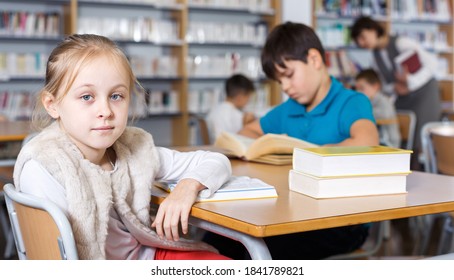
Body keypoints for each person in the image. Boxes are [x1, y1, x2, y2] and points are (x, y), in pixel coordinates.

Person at [12, 34, 232, 260]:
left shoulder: (132, 147)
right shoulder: (45, 166)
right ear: (52, 105)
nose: (106, 111)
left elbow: (217, 161)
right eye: (87, 96)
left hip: (148, 255)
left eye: (116, 96)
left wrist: (187, 187)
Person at [203, 22, 379, 260]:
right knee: (216, 239)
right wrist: (260, 150)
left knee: (260, 251)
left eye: (289, 75)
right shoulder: (288, 110)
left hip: (342, 222)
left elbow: (368, 141)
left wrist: (311, 153)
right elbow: (247, 132)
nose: (285, 87)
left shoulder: (351, 101)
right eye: (279, 81)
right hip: (290, 213)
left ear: (315, 59)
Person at [350, 16, 441, 167]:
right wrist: (396, 88)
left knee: (420, 137)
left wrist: (410, 82)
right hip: (404, 97)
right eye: (358, 40)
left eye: (362, 37)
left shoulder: (401, 43)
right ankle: (403, 166)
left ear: (373, 30)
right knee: (401, 130)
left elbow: (432, 63)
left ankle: (419, 169)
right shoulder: (374, 57)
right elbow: (384, 85)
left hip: (424, 94)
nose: (361, 43)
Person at [355, 68, 401, 148]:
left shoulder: (383, 100)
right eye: (357, 89)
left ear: (376, 86)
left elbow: (385, 115)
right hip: (377, 142)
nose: (358, 92)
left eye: (362, 88)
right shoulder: (369, 102)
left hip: (388, 143)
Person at [205, 73, 256, 143]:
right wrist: (247, 124)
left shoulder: (214, 111)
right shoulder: (238, 116)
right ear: (240, 97)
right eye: (248, 97)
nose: (249, 101)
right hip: (228, 151)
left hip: (215, 149)